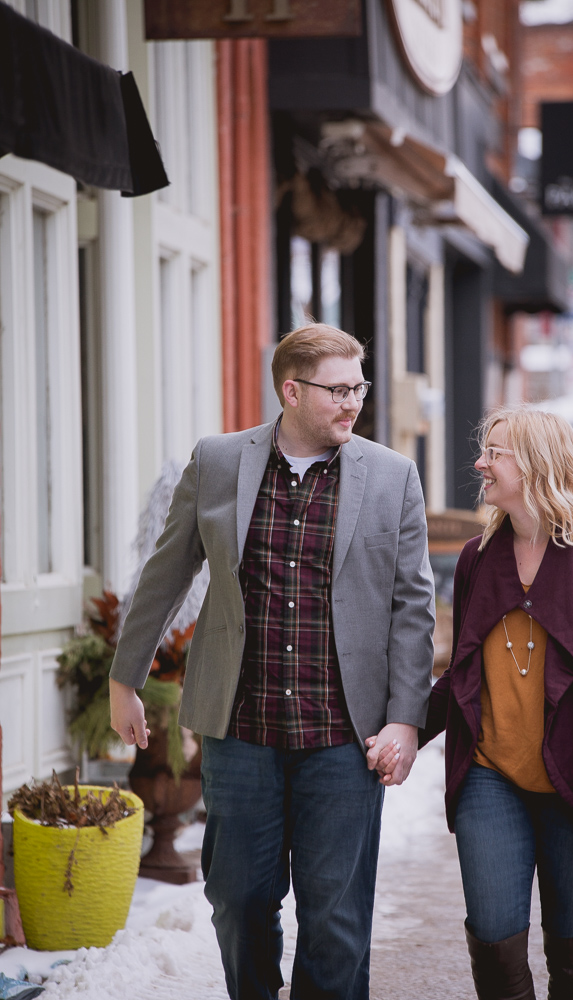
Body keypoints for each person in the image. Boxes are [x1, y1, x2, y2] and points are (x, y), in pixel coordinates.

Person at [109, 323, 435, 1000]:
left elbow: (412, 608)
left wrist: (406, 719)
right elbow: (164, 575)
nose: (354, 402)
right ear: (291, 390)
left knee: (336, 922)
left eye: (359, 387)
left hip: (343, 738)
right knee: (237, 904)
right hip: (240, 731)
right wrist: (124, 679)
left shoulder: (392, 477)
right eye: (338, 389)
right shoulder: (220, 461)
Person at [369, 406, 573, 1000]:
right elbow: (461, 677)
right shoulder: (477, 558)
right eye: (485, 450)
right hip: (491, 778)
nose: (480, 464)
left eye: (495, 452)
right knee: (494, 937)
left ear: (538, 463)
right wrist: (406, 728)